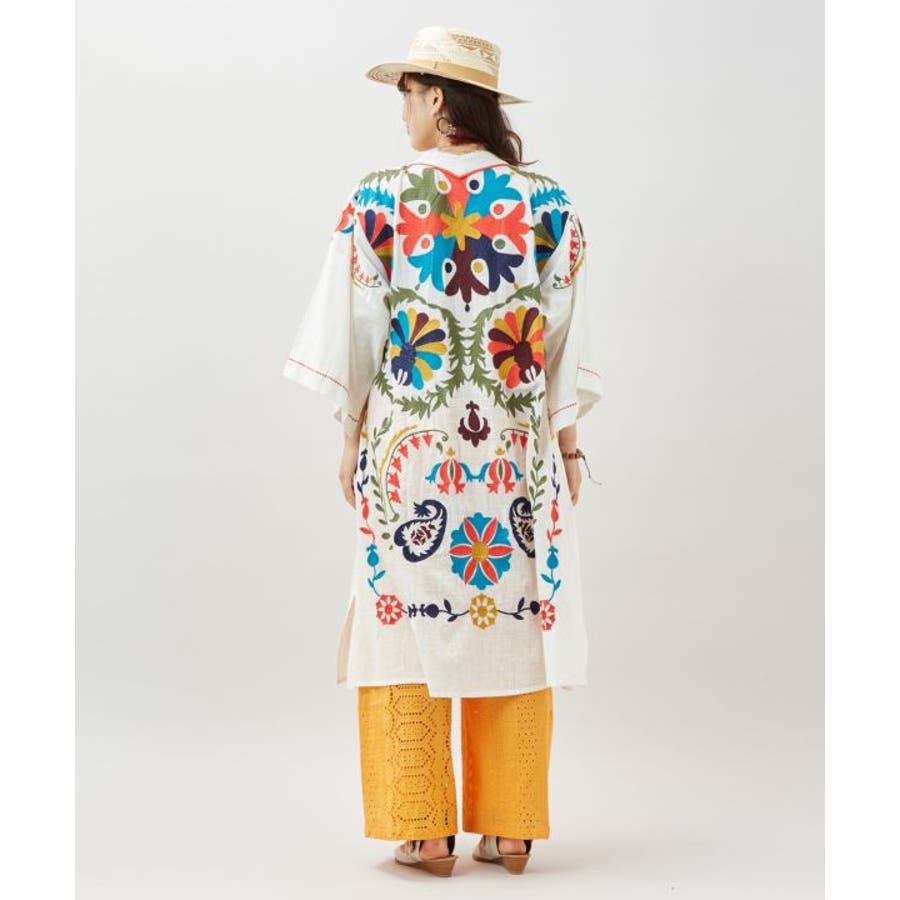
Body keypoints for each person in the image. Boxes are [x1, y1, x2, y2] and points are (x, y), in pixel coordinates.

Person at [282, 25, 604, 877]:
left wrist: (350, 438)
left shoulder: (379, 199)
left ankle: (423, 828)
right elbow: (562, 341)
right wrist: (568, 447)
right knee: (515, 620)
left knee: (399, 623)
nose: (401, 114)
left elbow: (358, 329)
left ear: (435, 97)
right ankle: (511, 827)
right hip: (512, 455)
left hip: (411, 452)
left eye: (406, 96)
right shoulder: (550, 205)